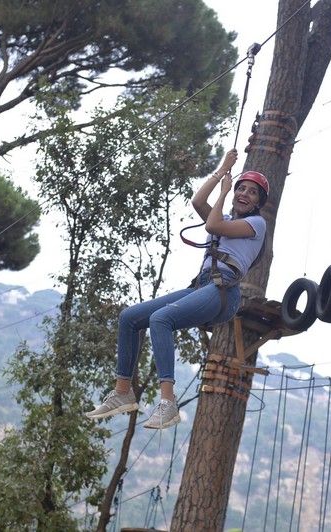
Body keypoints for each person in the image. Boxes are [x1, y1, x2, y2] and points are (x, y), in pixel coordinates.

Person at [86, 148, 268, 429]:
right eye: (241, 189)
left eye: (252, 192)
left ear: (259, 201)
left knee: (161, 319)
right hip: (201, 286)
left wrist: (223, 193)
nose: (244, 194)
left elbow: (213, 223)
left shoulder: (256, 224)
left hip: (223, 292)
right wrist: (222, 170)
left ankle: (167, 404)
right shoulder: (229, 219)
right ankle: (123, 392)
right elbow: (198, 200)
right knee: (129, 318)